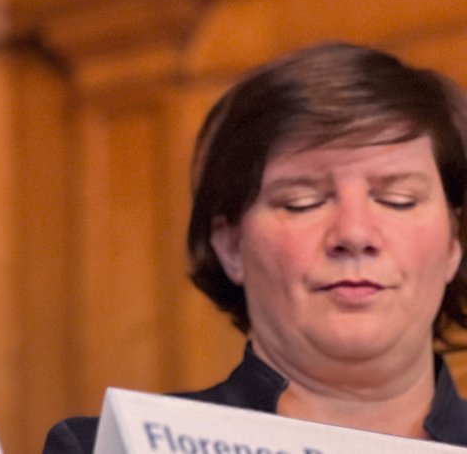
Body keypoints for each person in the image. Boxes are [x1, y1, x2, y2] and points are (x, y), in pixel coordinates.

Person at [44, 42, 467, 450]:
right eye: (303, 203)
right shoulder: (112, 447)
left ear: (454, 242)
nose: (355, 235)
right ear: (231, 247)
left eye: (398, 200)